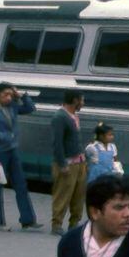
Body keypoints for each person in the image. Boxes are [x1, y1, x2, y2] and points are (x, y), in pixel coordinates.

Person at [0, 82, 41, 232]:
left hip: (12, 150)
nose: (8, 98)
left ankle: (27, 220)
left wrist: (22, 96)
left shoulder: (12, 106)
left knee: (21, 184)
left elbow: (30, 108)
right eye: (5, 95)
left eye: (10, 95)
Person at [50, 90, 87, 237]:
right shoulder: (59, 117)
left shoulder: (74, 116)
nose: (83, 104)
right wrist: (62, 164)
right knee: (63, 195)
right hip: (67, 164)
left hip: (80, 163)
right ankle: (57, 224)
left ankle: (74, 223)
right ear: (75, 100)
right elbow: (56, 143)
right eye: (82, 100)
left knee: (78, 196)